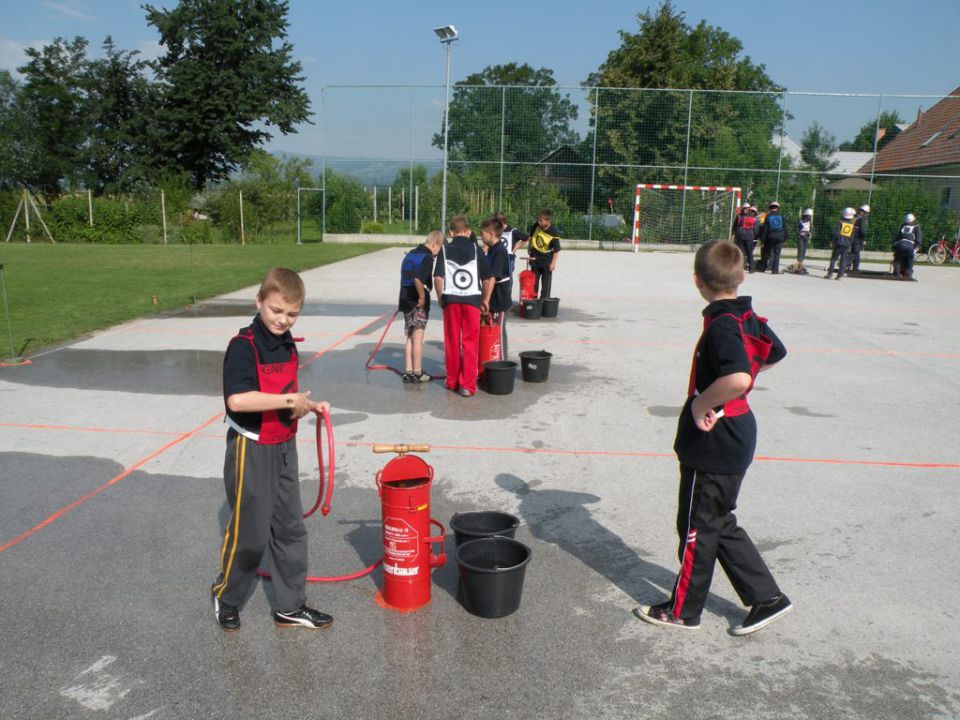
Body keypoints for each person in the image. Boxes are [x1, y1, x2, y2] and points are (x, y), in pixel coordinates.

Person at [634, 239, 792, 636]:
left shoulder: (723, 325)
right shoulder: (744, 314)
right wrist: (736, 388)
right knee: (716, 521)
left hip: (717, 439)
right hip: (735, 432)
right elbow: (774, 354)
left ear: (697, 281)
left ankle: (683, 610)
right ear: (741, 277)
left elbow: (739, 376)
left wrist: (703, 402)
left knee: (696, 527)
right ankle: (767, 598)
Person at [212, 267, 333, 632]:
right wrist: (287, 400)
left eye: (291, 313)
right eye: (276, 310)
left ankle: (289, 606)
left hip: (283, 444)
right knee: (251, 532)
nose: (282, 320)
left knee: (291, 528)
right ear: (259, 302)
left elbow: (286, 396)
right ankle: (227, 596)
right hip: (252, 447)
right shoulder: (243, 346)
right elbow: (237, 399)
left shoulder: (286, 341)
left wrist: (308, 405)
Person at [434, 215, 494, 397]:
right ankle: (467, 385)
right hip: (472, 301)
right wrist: (485, 299)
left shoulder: (444, 250)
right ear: (468, 231)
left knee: (451, 341)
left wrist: (440, 298)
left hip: (451, 300)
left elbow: (438, 278)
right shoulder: (477, 250)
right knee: (470, 343)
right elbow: (488, 279)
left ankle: (452, 381)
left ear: (451, 232)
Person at [397, 231, 442, 383]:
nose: (438, 254)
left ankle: (408, 371)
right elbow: (418, 279)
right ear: (434, 243)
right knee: (418, 336)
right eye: (439, 249)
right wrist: (422, 297)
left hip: (404, 298)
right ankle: (418, 372)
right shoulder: (427, 257)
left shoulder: (410, 254)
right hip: (417, 302)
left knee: (410, 335)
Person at [480, 217, 512, 359]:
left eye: (482, 233)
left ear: (491, 233)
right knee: (488, 327)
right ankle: (489, 358)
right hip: (492, 296)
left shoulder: (500, 251)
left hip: (500, 298)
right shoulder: (492, 249)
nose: (481, 236)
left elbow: (492, 277)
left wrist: (485, 299)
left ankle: (503, 362)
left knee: (499, 330)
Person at [526, 208, 561, 298]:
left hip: (546, 261)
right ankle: (533, 301)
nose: (539, 222)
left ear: (548, 220)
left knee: (546, 285)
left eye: (541, 221)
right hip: (535, 259)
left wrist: (553, 263)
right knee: (534, 283)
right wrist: (529, 247)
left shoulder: (553, 232)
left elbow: (556, 249)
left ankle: (543, 301)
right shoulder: (536, 226)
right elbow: (531, 237)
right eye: (538, 220)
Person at [494, 210, 529, 284]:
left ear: (501, 221)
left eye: (496, 222)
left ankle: (507, 294)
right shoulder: (496, 231)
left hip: (509, 258)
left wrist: (517, 246)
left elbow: (527, 237)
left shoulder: (513, 231)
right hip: (497, 257)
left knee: (507, 279)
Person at [825, 207, 856, 280]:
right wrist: (850, 244)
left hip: (838, 243)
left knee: (834, 259)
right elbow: (852, 236)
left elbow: (835, 233)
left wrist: (832, 241)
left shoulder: (839, 223)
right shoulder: (852, 225)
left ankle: (830, 274)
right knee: (843, 260)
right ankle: (839, 275)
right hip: (846, 244)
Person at [757, 201, 788, 274]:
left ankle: (763, 268)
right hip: (780, 237)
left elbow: (765, 230)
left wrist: (762, 241)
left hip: (770, 237)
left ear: (770, 208)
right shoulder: (781, 216)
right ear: (778, 208)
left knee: (766, 253)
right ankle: (775, 270)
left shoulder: (768, 217)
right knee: (777, 254)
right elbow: (785, 228)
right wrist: (785, 239)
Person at [892, 212, 922, 280]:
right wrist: (916, 248)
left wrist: (894, 246)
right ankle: (908, 274)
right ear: (913, 220)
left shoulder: (902, 226)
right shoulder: (916, 227)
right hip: (910, 245)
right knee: (910, 260)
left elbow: (897, 237)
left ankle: (896, 273)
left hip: (900, 244)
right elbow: (918, 239)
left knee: (897, 259)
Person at [732, 205, 759, 272]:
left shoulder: (739, 216)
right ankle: (751, 268)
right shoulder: (753, 218)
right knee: (750, 252)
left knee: (741, 252)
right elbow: (755, 229)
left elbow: (735, 226)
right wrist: (754, 236)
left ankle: (741, 267)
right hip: (749, 236)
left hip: (740, 235)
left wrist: (733, 234)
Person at [849, 204, 870, 272]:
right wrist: (864, 239)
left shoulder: (854, 217)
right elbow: (862, 230)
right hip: (857, 238)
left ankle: (855, 268)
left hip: (850, 237)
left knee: (856, 253)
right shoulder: (862, 219)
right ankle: (844, 263)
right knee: (855, 253)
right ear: (865, 212)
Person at [792, 208, 813, 275]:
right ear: (805, 215)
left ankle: (801, 263)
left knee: (804, 250)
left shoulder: (809, 222)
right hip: (800, 237)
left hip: (806, 237)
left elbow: (810, 229)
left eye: (810, 216)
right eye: (808, 216)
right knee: (800, 249)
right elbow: (796, 229)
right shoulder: (800, 221)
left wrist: (810, 233)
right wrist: (799, 233)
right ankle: (799, 263)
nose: (809, 217)